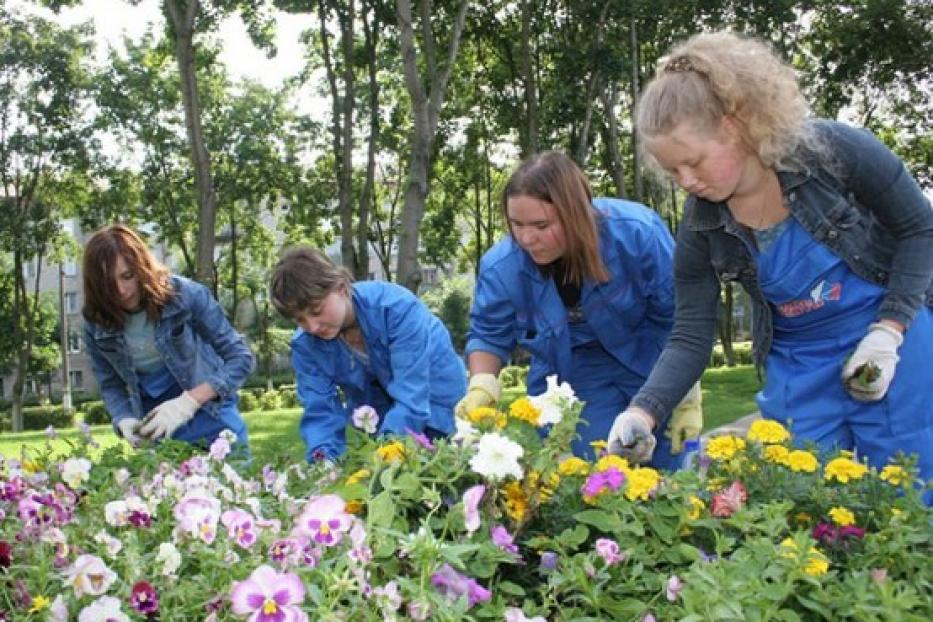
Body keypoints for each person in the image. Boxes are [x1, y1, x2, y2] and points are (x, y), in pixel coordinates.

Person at [611, 31, 933, 501]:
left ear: (733, 125)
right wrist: (643, 412)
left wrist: (889, 329)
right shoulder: (702, 227)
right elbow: (690, 334)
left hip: (889, 341)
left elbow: (920, 229)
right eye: (672, 171)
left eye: (693, 163)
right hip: (799, 365)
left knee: (907, 494)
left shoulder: (834, 152)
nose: (686, 182)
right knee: (804, 501)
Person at [460, 151, 703, 467]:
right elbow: (489, 335)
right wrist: (482, 384)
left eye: (541, 224)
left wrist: (685, 394)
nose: (527, 238)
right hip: (570, 379)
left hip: (652, 364)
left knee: (673, 478)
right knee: (594, 477)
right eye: (516, 224)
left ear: (576, 213)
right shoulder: (501, 267)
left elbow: (681, 317)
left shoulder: (638, 233)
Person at [270, 247, 466, 463]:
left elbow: (412, 398)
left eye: (316, 311)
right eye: (300, 320)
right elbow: (320, 413)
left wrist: (384, 457)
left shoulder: (396, 308)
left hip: (439, 404)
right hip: (381, 418)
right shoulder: (306, 345)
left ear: (342, 288)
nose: (312, 326)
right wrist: (324, 464)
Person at [82, 224, 254, 453]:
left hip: (213, 416)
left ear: (142, 267)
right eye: (108, 284)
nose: (122, 291)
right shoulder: (96, 324)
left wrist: (189, 402)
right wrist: (124, 418)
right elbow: (111, 384)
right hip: (157, 428)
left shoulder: (187, 296)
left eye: (127, 276)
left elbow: (241, 358)